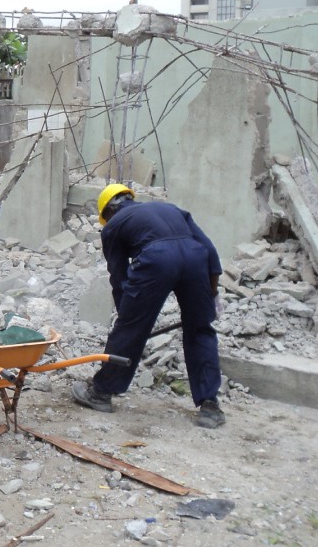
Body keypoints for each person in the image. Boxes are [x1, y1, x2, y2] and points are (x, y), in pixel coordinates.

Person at [72, 183, 226, 428]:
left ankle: (101, 392)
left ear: (108, 212)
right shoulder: (172, 210)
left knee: (130, 328)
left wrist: (128, 321)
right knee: (200, 329)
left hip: (157, 260)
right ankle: (210, 406)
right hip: (196, 259)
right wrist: (212, 294)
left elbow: (119, 277)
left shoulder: (114, 226)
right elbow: (209, 250)